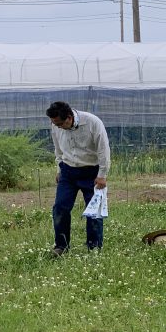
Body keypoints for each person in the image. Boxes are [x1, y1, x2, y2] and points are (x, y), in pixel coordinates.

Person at [46, 101, 111, 256]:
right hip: (68, 171)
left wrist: (102, 175)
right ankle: (61, 246)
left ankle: (94, 247)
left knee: (94, 212)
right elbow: (58, 149)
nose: (57, 126)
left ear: (69, 118)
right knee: (60, 207)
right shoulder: (56, 125)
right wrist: (59, 168)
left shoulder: (93, 123)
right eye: (54, 123)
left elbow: (103, 149)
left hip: (92, 173)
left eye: (60, 123)